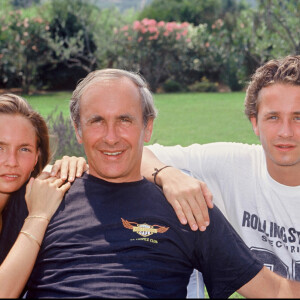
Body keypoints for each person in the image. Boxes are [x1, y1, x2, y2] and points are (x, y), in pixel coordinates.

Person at [24, 68, 300, 298]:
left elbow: (274, 290)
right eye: (97, 121)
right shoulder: (46, 194)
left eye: (125, 120)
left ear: (148, 127)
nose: (111, 137)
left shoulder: (187, 205)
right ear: (78, 129)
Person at [140, 55, 300, 296]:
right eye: (273, 117)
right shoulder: (235, 164)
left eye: (298, 117)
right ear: (255, 123)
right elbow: (138, 155)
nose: (286, 132)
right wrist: (169, 176)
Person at [0, 93, 87, 298]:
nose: (11, 161)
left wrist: (73, 166)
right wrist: (38, 216)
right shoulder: (34, 208)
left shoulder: (26, 198)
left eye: (24, 149)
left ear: (37, 156)